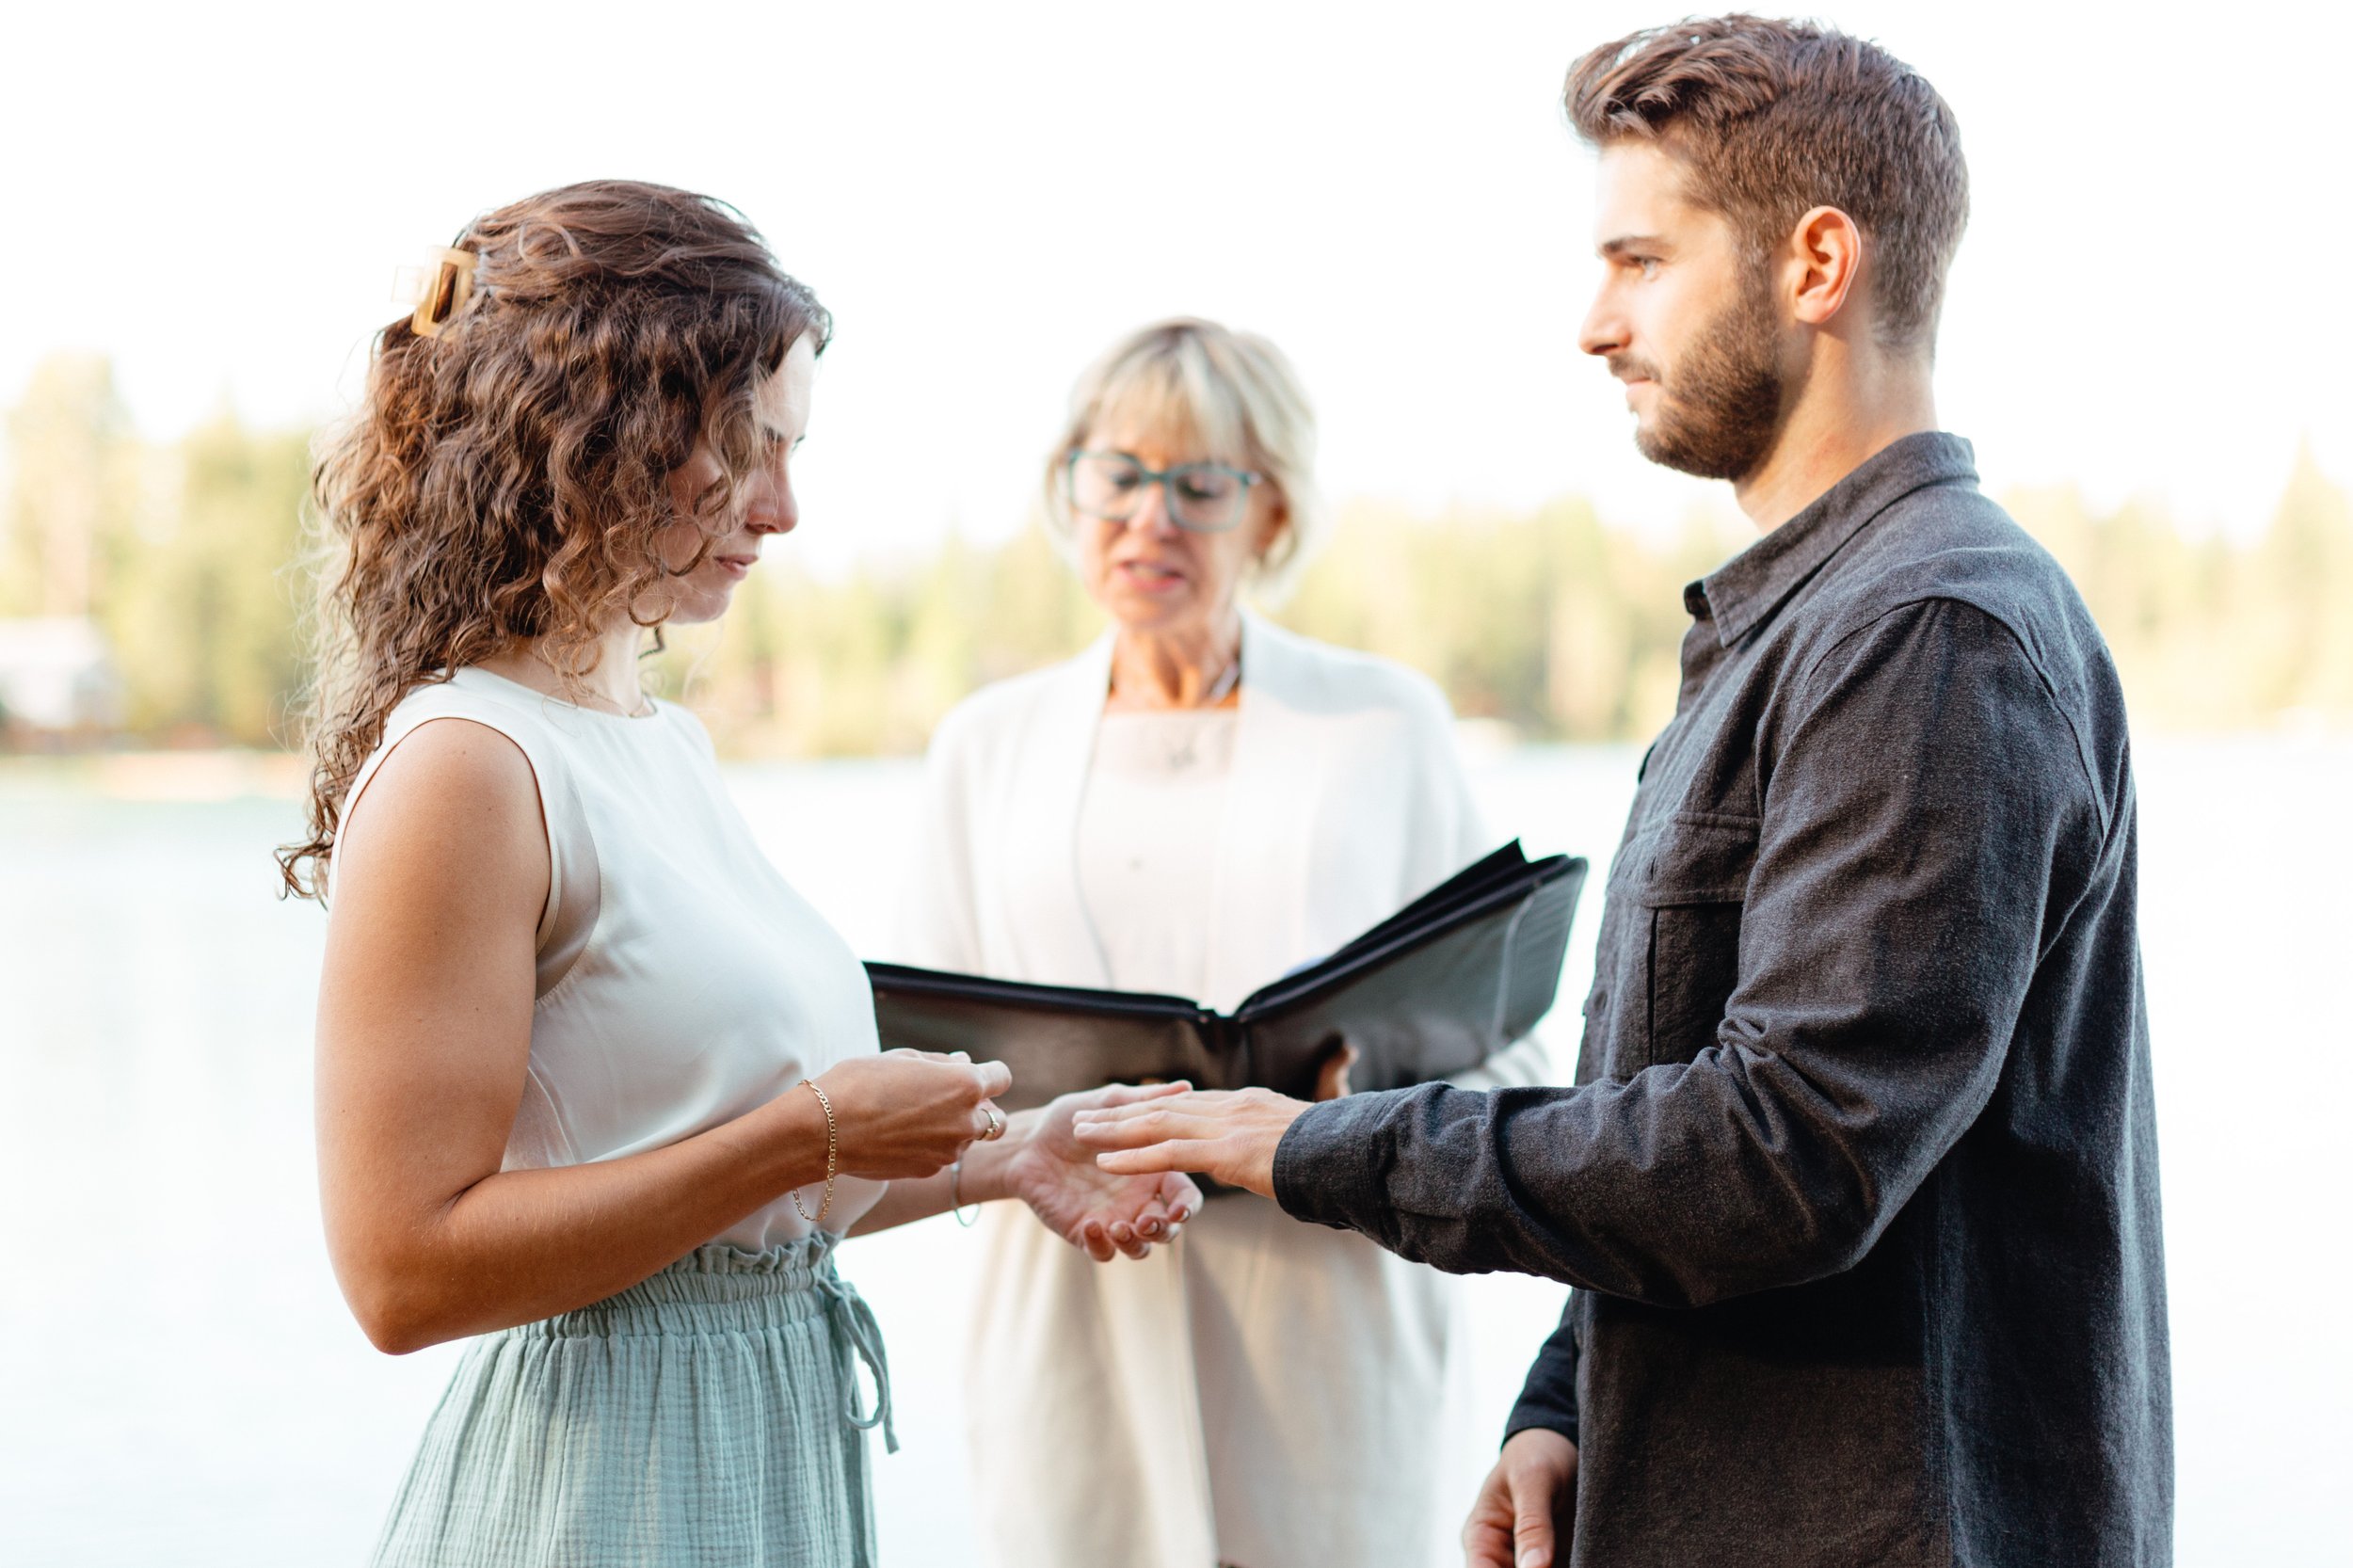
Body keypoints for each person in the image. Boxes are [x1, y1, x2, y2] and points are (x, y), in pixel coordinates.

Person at [1078, 19, 2171, 1568]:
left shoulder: (1932, 630)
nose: (1595, 323)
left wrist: (1305, 1143)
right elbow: (1657, 1091)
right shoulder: (1792, 622)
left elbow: (1788, 1153)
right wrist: (1569, 1399)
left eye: (1641, 260)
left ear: (1816, 264)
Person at [280, 181, 1197, 1568]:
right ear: (595, 437)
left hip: (762, 1448)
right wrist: (809, 1130)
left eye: (793, 449)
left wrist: (1009, 1161)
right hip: (604, 1488)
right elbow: (403, 1272)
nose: (782, 508)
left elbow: (737, 1217)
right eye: (743, 449)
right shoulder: (467, 765)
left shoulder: (659, 744)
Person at [892, 317, 1554, 1568]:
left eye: (1201, 485)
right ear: (1068, 488)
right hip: (1069, 1337)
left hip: (1327, 1338)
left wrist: (1371, 1103)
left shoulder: (1381, 725)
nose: (1151, 518)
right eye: (1118, 474)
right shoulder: (984, 747)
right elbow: (926, 1081)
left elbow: (1515, 1058)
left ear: (1272, 517)